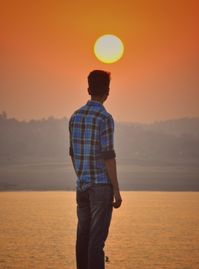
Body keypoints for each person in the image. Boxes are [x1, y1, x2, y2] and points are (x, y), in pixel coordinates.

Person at [69, 70, 122, 269]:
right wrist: (116, 191)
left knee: (82, 237)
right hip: (100, 187)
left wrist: (81, 176)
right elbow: (108, 156)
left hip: (82, 186)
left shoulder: (75, 116)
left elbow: (73, 153)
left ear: (88, 89)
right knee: (96, 241)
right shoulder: (105, 118)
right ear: (107, 91)